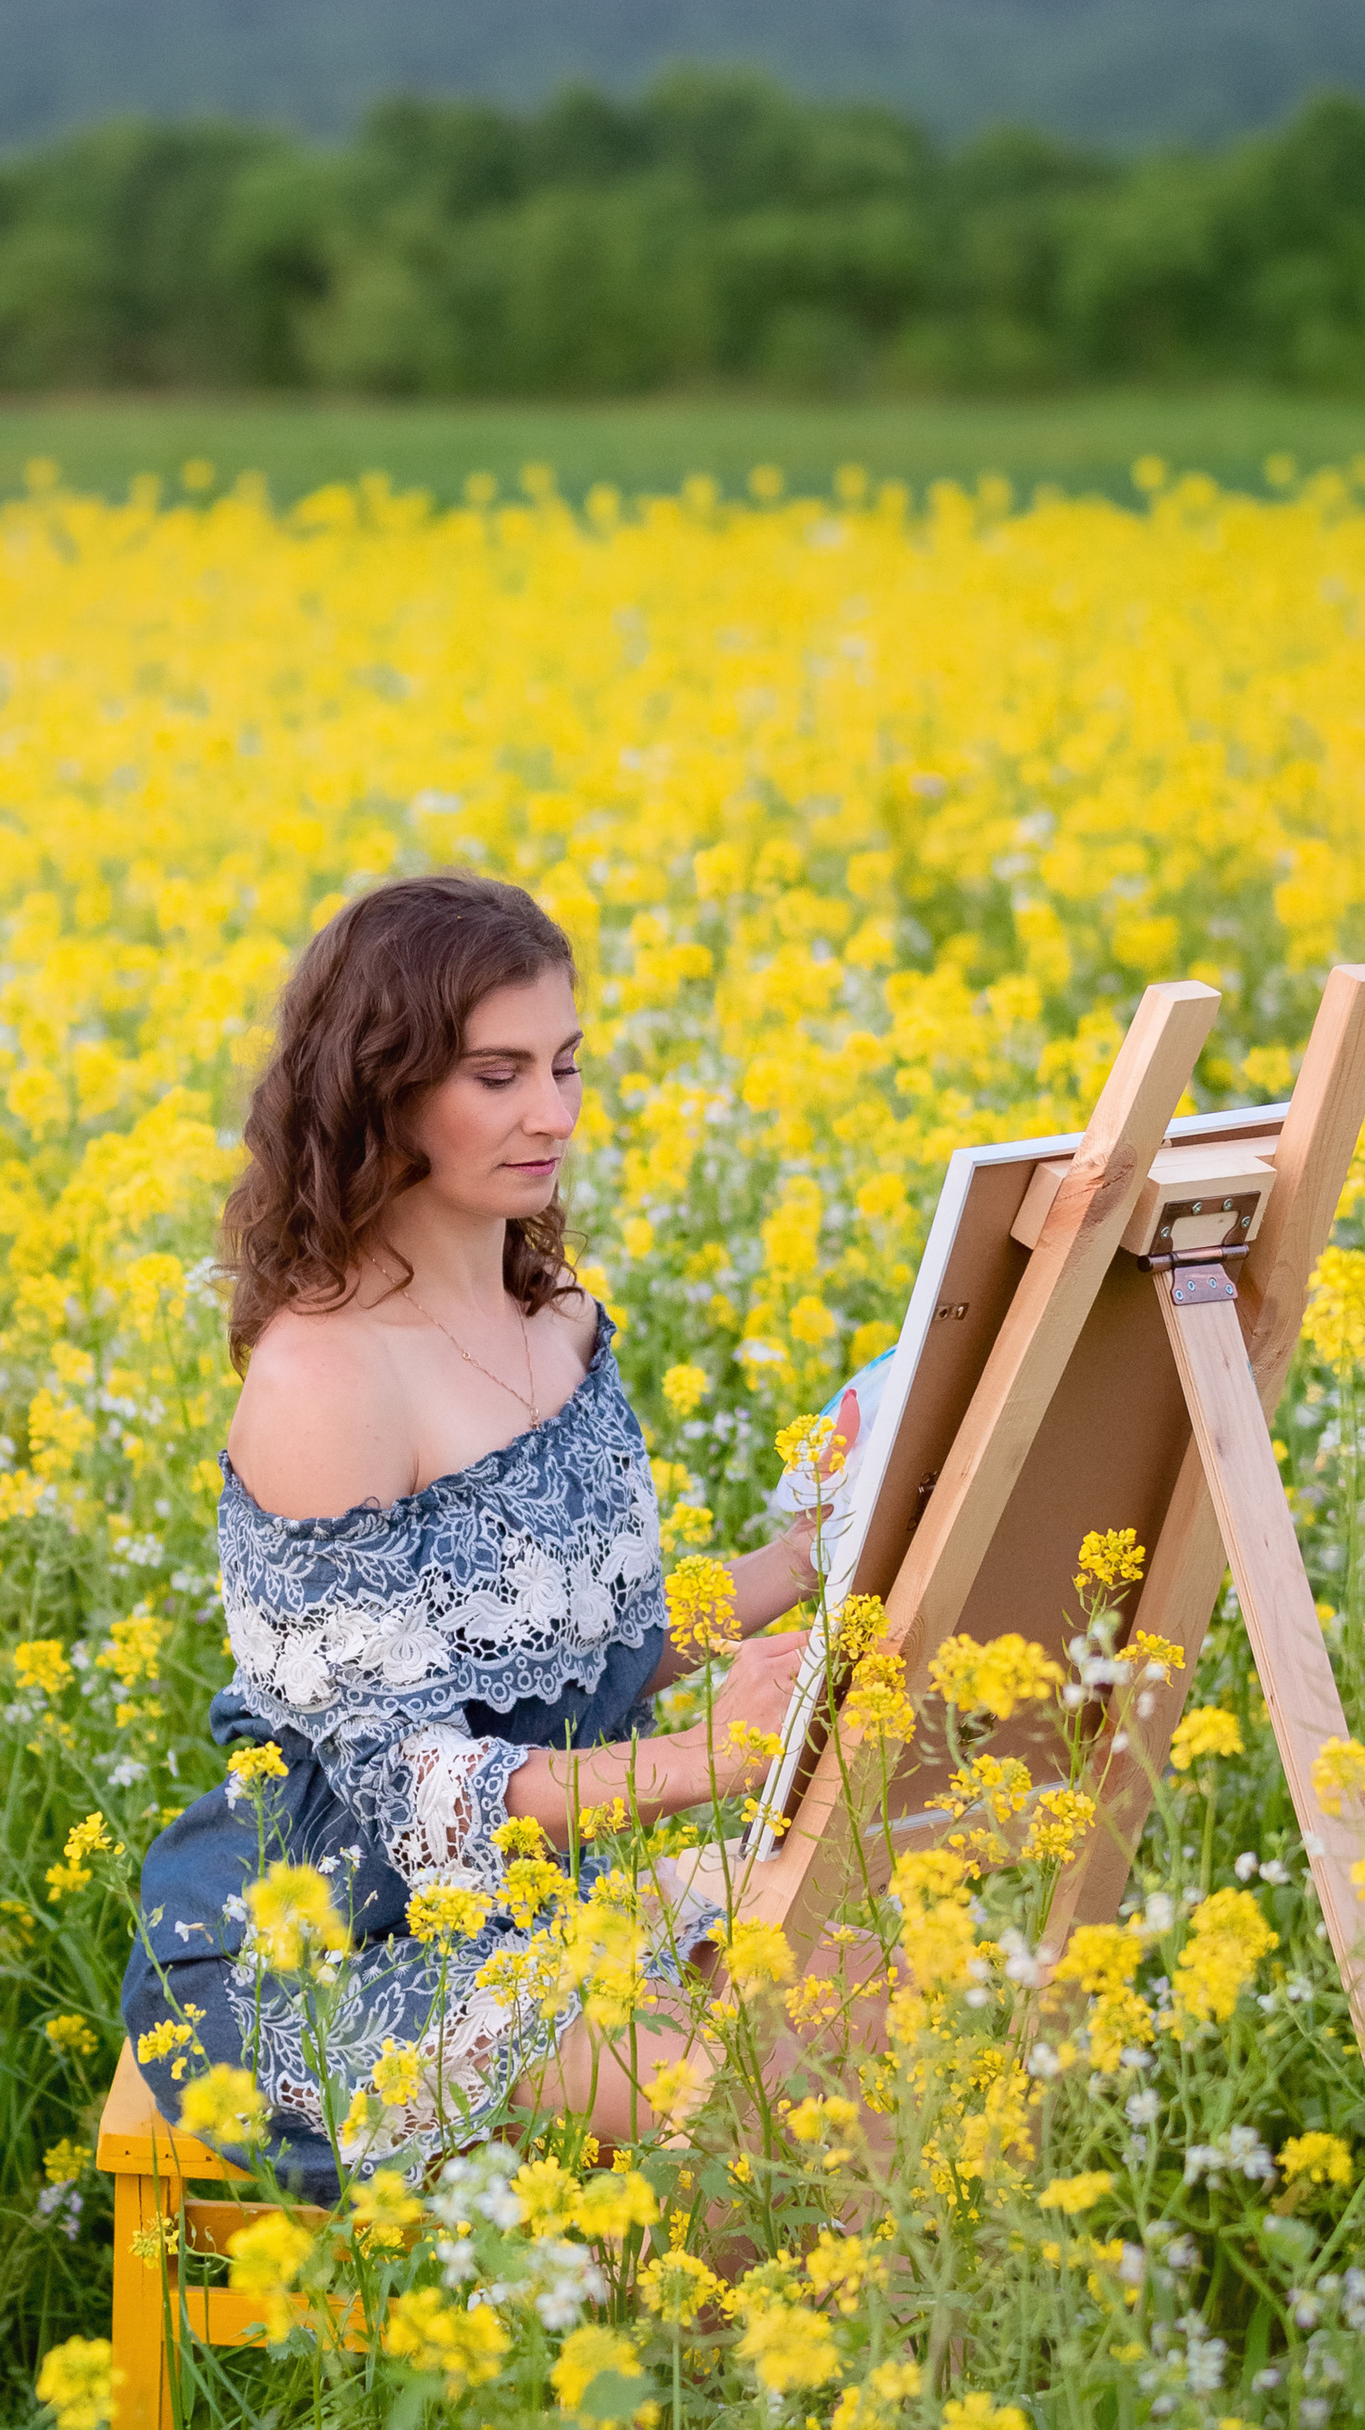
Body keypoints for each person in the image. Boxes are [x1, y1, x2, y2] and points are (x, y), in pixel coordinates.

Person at [124, 868, 838, 2195]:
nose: (553, 1115)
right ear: (382, 1090)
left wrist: (814, 1555)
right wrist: (708, 1763)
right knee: (760, 2088)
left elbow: (605, 1651)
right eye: (497, 1076)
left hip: (519, 1909)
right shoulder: (323, 1378)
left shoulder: (552, 1307)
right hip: (319, 1952)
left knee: (866, 2002)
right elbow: (415, 1791)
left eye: (566, 1066)